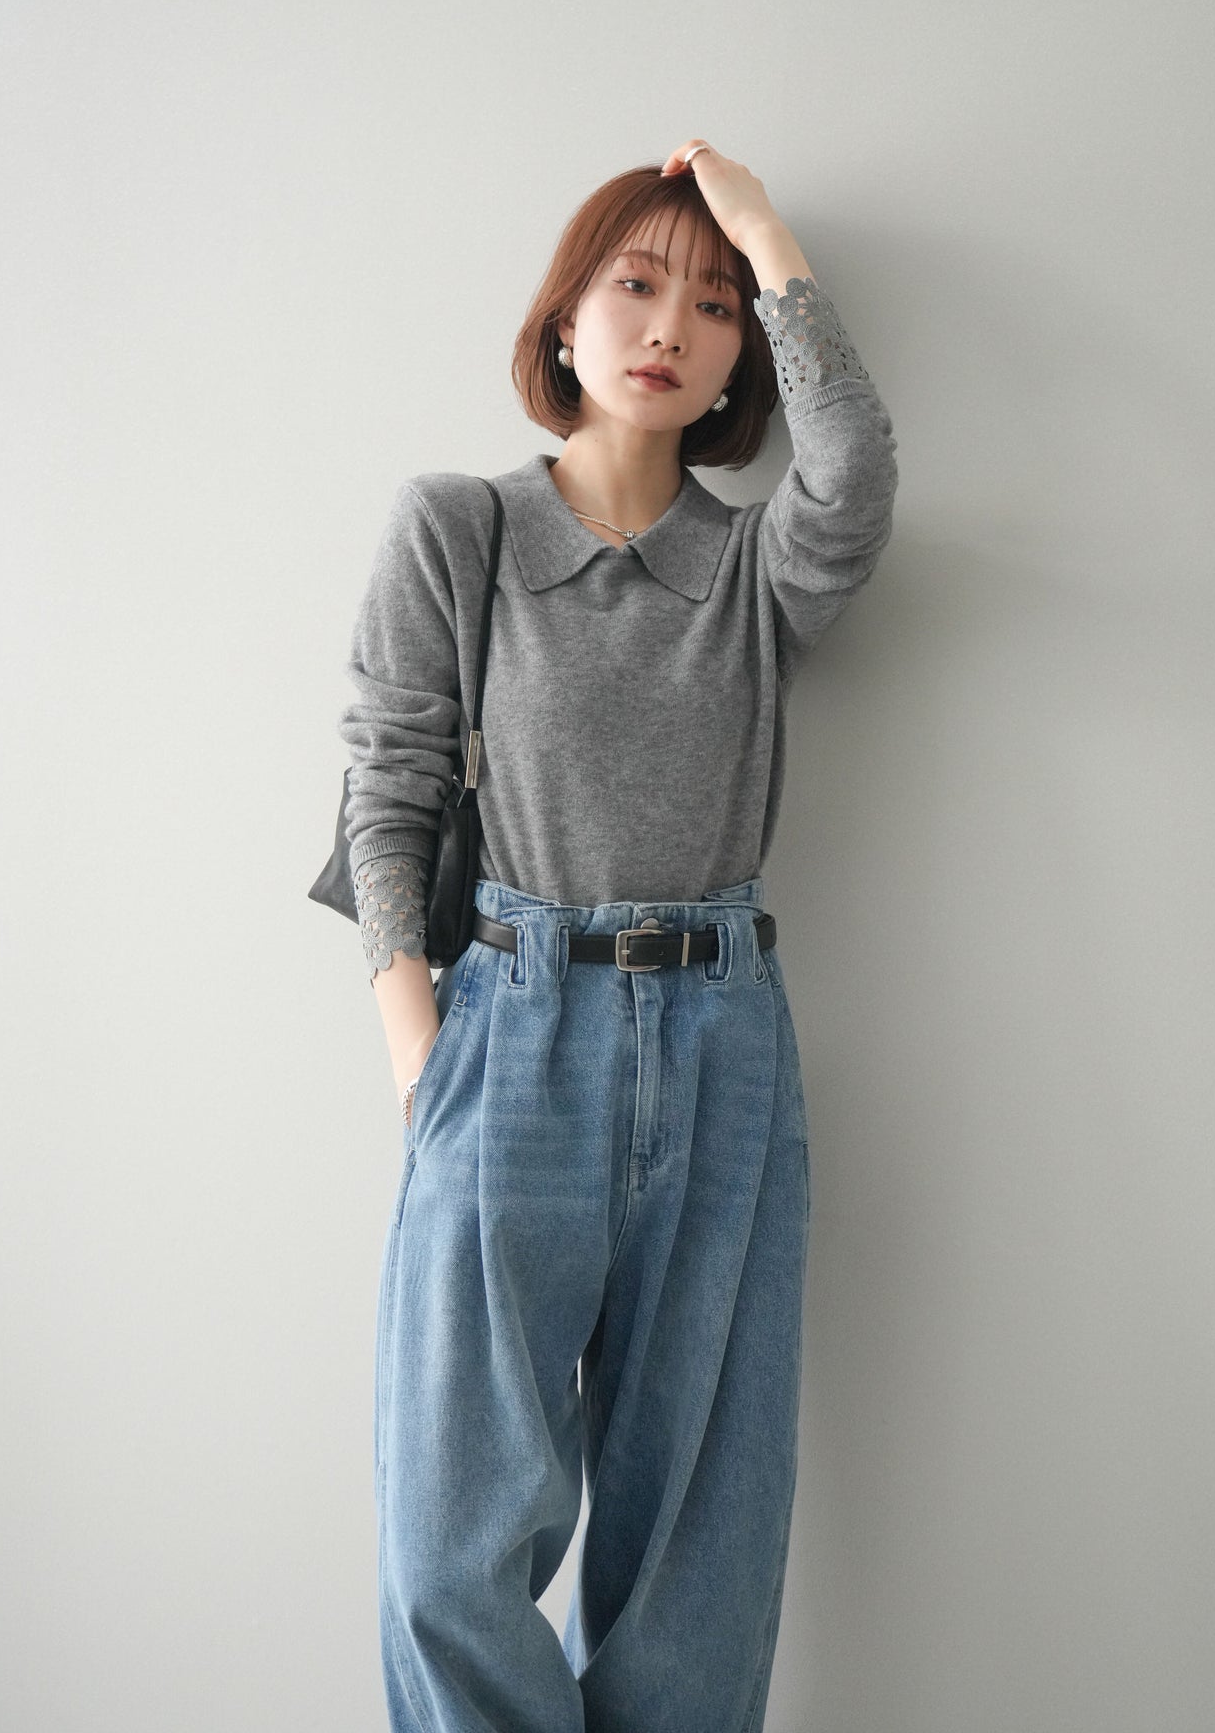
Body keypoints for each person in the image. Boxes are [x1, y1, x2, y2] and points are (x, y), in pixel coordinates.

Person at [334, 139, 900, 1733]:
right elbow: (386, 785)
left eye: (711, 305)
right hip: (510, 1032)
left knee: (699, 1545)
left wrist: (768, 241)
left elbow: (852, 476)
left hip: (724, 1041)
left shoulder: (755, 568)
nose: (669, 327)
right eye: (636, 285)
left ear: (739, 356)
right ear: (563, 320)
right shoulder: (461, 530)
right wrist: (419, 1056)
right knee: (449, 1543)